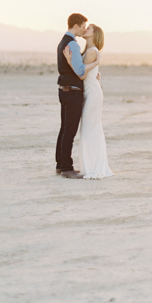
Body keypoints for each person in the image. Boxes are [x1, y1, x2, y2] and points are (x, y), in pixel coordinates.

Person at [63, 24, 113, 180]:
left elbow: (82, 75)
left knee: (90, 129)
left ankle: (93, 167)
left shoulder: (92, 52)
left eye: (89, 28)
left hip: (92, 94)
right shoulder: (90, 51)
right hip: (91, 91)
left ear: (95, 34)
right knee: (90, 129)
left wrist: (69, 60)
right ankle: (92, 165)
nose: (85, 30)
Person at [55, 13, 99, 179]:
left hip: (64, 89)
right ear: (76, 26)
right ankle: (67, 167)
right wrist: (96, 64)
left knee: (64, 128)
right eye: (82, 26)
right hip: (72, 91)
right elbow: (80, 71)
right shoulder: (72, 44)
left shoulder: (62, 42)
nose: (83, 29)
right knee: (69, 131)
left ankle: (60, 164)